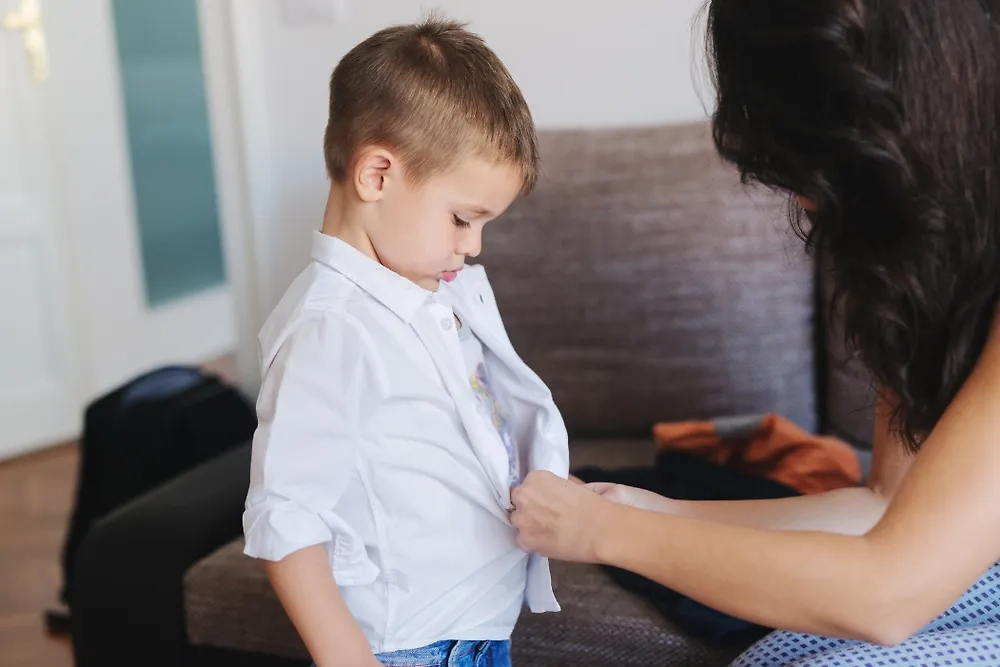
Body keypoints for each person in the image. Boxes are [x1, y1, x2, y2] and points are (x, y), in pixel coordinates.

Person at [510, 1, 1000, 665]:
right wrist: (647, 510)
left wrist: (605, 532)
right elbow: (884, 505)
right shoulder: (929, 264)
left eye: (806, 160)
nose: (798, 197)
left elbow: (889, 593)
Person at [242, 18, 569, 667]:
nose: (474, 245)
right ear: (377, 175)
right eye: (462, 218)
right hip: (417, 648)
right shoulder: (331, 327)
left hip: (476, 634)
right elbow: (285, 515)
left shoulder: (426, 296)